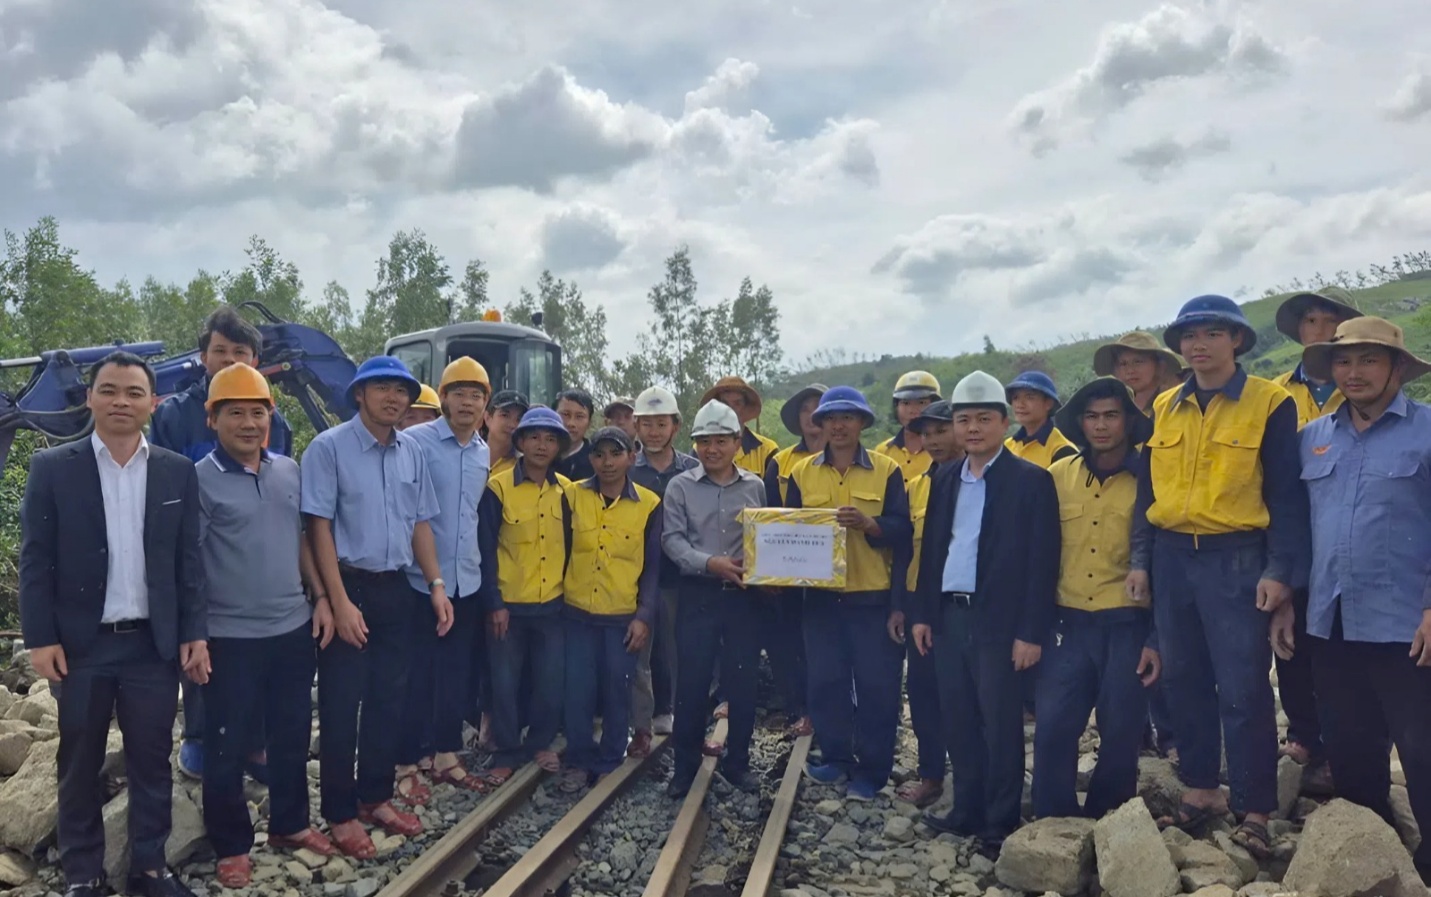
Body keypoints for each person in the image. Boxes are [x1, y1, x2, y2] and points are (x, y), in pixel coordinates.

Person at [19, 351, 209, 897]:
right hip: (81, 647)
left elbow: (187, 563)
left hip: (152, 646)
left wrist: (193, 633)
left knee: (152, 760)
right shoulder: (54, 467)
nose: (121, 401)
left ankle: (150, 868)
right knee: (79, 762)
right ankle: (84, 874)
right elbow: (36, 559)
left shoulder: (176, 471)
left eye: (133, 392)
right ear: (90, 398)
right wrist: (41, 637)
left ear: (153, 402)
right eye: (109, 390)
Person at [1127, 295, 1302, 860]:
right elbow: (1148, 497)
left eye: (1211, 334)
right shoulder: (1165, 407)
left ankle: (1255, 808)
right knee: (1183, 679)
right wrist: (1140, 561)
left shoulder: (1269, 402)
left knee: (1245, 686)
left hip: (1237, 557)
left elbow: (1286, 494)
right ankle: (1202, 788)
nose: (1197, 345)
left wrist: (1279, 571)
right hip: (1173, 556)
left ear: (1236, 340)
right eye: (1188, 336)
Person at [1293, 316, 1431, 883]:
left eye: (1369, 360)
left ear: (1397, 367)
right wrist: (1287, 603)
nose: (1355, 372)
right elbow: (1299, 529)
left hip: (1408, 623)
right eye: (1344, 362)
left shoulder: (1426, 431)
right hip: (1333, 621)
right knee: (1351, 749)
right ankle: (1376, 858)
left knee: (1423, 748)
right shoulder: (1312, 437)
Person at [193, 364, 336, 888]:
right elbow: (189, 563)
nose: (249, 423)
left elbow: (301, 539)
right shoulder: (199, 480)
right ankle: (231, 843)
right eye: (236, 413)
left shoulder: (288, 471)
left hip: (292, 628)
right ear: (213, 419)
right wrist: (195, 634)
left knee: (292, 732)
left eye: (258, 412)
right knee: (227, 742)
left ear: (271, 418)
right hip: (230, 636)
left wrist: (319, 596)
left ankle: (290, 823)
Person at [301, 356, 445, 858]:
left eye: (402, 391)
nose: (393, 397)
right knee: (343, 704)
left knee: (389, 698)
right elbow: (317, 526)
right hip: (349, 586)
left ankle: (376, 796)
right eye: (381, 387)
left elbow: (420, 523)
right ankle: (340, 813)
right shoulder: (328, 448)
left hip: (395, 590)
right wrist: (336, 601)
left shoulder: (412, 453)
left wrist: (436, 584)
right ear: (359, 394)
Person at [909, 371, 1059, 853]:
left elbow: (1043, 561)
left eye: (983, 419)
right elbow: (934, 549)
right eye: (963, 419)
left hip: (999, 621)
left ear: (1002, 421)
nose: (972, 428)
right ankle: (965, 808)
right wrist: (923, 613)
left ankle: (1000, 819)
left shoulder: (1030, 481)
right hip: (950, 616)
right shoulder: (947, 476)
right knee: (958, 716)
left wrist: (1031, 632)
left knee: (1000, 722)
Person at [149, 306, 292, 782]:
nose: (231, 360)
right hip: (199, 556)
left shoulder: (276, 420)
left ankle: (254, 746)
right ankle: (198, 739)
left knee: (258, 669)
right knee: (204, 652)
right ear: (203, 355)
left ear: (256, 359)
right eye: (220, 351)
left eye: (241, 352)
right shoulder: (174, 414)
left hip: (253, 556)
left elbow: (276, 482)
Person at [1031, 378, 1159, 821]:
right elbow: (1035, 549)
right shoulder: (1057, 475)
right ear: (1080, 423)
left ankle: (1111, 823)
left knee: (1122, 730)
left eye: (1110, 415)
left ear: (1128, 421)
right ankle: (1052, 822)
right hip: (1066, 624)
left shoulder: (1152, 477)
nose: (1100, 426)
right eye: (1091, 416)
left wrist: (1157, 638)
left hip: (1127, 623)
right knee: (1052, 727)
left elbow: (1167, 560)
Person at [787, 386, 912, 801]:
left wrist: (870, 525)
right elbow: (786, 533)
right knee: (826, 683)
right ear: (818, 425)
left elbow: (903, 534)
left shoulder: (887, 470)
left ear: (862, 423)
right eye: (829, 419)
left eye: (847, 418)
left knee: (878, 688)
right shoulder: (802, 472)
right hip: (822, 600)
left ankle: (873, 771)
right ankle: (837, 758)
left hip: (871, 599)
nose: (837, 426)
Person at [1269, 287, 1363, 786]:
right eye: (1310, 321)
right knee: (1292, 639)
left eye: (1331, 320)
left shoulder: (1367, 388)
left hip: (1346, 530)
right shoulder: (1276, 394)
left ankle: (1351, 740)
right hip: (1293, 530)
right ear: (1299, 332)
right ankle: (1305, 734)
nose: (1320, 329)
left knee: (1344, 643)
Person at [396, 358, 494, 798]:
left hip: (465, 579)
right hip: (419, 581)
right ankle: (404, 759)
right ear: (443, 397)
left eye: (476, 395)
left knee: (455, 672)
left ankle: (445, 754)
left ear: (485, 404)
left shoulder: (482, 451)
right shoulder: (413, 442)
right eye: (459, 393)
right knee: (415, 673)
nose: (467, 402)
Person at [662, 400, 769, 798]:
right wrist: (711, 564)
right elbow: (672, 540)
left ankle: (738, 763)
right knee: (690, 684)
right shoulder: (680, 487)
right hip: (699, 594)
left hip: (743, 598)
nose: (712, 449)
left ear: (737, 443)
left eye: (720, 441)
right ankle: (684, 768)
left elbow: (767, 537)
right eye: (704, 441)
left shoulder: (755, 486)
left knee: (742, 682)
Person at [560, 427, 662, 790]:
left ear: (631, 457)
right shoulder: (572, 496)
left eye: (615, 454)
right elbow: (563, 551)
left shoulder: (649, 504)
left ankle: (609, 759)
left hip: (622, 615)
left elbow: (652, 567)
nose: (607, 462)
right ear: (591, 459)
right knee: (578, 690)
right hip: (577, 614)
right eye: (600, 454)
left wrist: (644, 615)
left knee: (618, 688)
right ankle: (577, 758)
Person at [478, 406, 574, 785]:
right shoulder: (497, 487)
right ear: (519, 442)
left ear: (559, 446)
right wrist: (494, 603)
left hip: (553, 605)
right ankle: (505, 751)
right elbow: (484, 550)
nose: (541, 445)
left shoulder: (568, 492)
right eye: (533, 437)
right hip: (508, 606)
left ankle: (539, 743)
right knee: (504, 681)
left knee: (550, 681)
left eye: (550, 438)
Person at [890, 399, 963, 809]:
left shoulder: (978, 481)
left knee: (967, 693)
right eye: (927, 432)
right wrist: (901, 605)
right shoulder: (917, 485)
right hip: (921, 600)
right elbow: (904, 551)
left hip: (963, 602)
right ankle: (932, 774)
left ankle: (974, 778)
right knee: (922, 691)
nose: (934, 440)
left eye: (942, 429)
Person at [628, 387, 700, 748]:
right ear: (635, 427)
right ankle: (640, 724)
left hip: (681, 576)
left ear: (676, 426)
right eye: (647, 424)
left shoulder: (693, 470)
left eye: (662, 423)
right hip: (632, 578)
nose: (654, 431)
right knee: (638, 649)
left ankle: (669, 713)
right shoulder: (626, 468)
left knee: (675, 648)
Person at [759, 383, 830, 739]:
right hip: (789, 571)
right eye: (806, 410)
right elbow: (770, 518)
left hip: (833, 575)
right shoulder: (780, 462)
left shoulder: (849, 460)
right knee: (787, 642)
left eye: (820, 409)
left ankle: (827, 713)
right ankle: (797, 710)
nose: (813, 417)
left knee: (824, 644)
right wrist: (772, 574)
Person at [699, 376, 779, 476]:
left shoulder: (767, 450)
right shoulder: (701, 450)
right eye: (725, 404)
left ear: (746, 407)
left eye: (737, 403)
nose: (730, 410)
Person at [1092, 331, 1185, 416]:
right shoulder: (1116, 409)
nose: (1130, 370)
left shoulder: (1177, 403)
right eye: (1123, 364)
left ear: (1160, 366)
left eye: (1138, 362)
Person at [875, 371, 941, 484]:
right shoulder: (883, 452)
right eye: (905, 403)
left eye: (921, 402)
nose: (912, 410)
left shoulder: (944, 450)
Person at [1003, 370, 1077, 469]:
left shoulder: (1063, 451)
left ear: (1048, 403)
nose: (1020, 404)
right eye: (1015, 398)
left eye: (1029, 397)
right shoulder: (1008, 445)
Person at [555, 388, 597, 481]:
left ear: (590, 423)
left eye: (579, 417)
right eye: (565, 415)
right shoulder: (541, 455)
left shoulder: (596, 461)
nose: (571, 423)